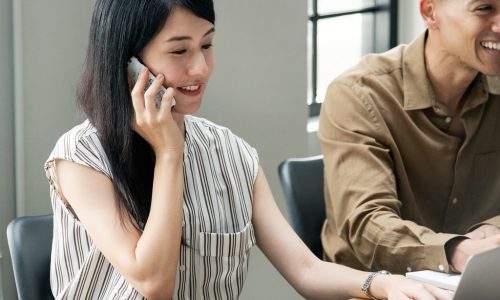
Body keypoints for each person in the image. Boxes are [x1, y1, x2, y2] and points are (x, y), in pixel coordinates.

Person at [44, 0, 452, 299]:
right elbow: (154, 284)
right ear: (128, 64)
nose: (200, 68)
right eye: (179, 51)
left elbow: (305, 269)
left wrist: (380, 283)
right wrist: (170, 154)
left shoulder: (232, 154)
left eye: (207, 45)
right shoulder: (81, 158)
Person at [319, 0, 500, 276]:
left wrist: (493, 229)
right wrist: (455, 250)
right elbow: (368, 224)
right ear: (430, 12)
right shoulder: (359, 95)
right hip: (372, 288)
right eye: (484, 9)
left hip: (477, 282)